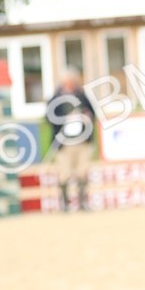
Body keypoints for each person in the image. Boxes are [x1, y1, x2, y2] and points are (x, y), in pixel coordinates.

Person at [46, 67, 96, 211]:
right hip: (64, 143)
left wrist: (85, 116)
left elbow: (92, 113)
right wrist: (64, 119)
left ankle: (83, 203)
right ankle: (64, 204)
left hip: (82, 141)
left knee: (82, 172)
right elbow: (49, 117)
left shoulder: (82, 96)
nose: (70, 84)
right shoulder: (55, 98)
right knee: (64, 173)